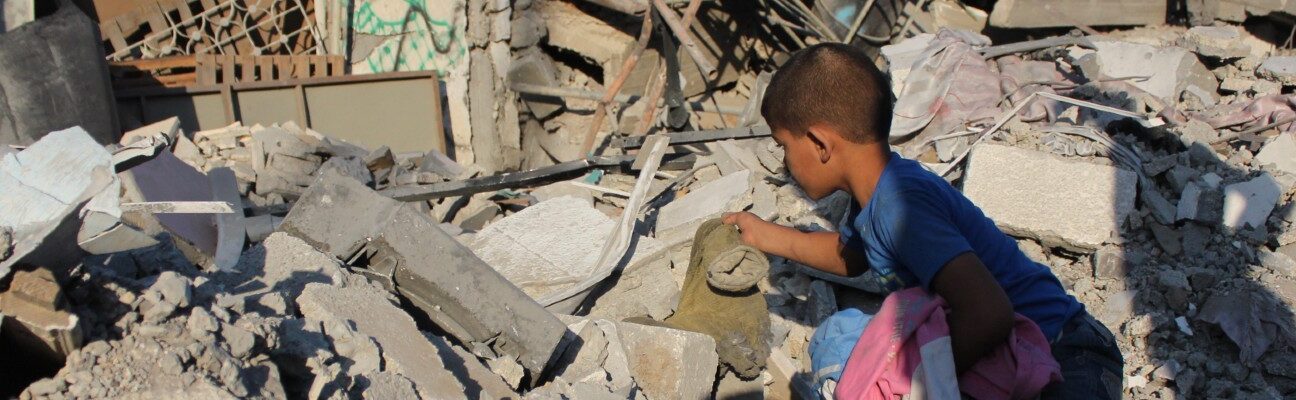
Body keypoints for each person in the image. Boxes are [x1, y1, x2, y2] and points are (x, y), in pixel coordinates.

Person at [722, 42, 1123, 399]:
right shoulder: (877, 194)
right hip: (1008, 347)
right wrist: (764, 235)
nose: (785, 162)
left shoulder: (901, 207)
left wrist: (921, 384)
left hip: (1066, 351)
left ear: (820, 144)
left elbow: (989, 314)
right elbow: (850, 257)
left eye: (784, 147)